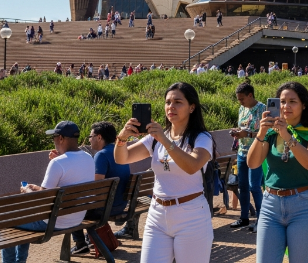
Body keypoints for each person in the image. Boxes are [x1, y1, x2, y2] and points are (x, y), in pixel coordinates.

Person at [114, 82, 215, 263]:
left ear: (192, 107)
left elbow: (192, 166)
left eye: (178, 102)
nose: (171, 107)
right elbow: (123, 158)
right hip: (157, 214)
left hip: (191, 215)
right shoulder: (155, 138)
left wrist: (165, 140)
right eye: (168, 102)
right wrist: (121, 139)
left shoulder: (201, 138)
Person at [245, 82, 308, 263]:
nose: (285, 106)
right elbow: (253, 163)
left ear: (303, 104)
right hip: (270, 206)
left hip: (303, 206)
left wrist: (287, 135)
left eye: (292, 101)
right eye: (282, 101)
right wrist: (261, 132)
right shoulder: (270, 133)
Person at [3, 121, 94, 263]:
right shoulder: (89, 158)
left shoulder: (57, 163)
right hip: (76, 218)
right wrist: (37, 189)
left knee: (6, 218)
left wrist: (27, 190)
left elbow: (43, 200)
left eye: (54, 137)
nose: (54, 141)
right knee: (21, 215)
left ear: (61, 138)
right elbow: (54, 190)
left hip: (53, 222)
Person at [71, 122, 133, 254]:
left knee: (71, 207)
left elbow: (96, 188)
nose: (89, 139)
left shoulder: (102, 155)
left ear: (99, 137)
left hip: (106, 209)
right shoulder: (121, 151)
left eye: (91, 136)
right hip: (121, 205)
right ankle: (90, 238)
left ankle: (80, 243)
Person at [228, 82, 266, 231]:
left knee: (254, 186)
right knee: (242, 186)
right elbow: (243, 127)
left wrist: (248, 134)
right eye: (238, 99)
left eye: (242, 99)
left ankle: (261, 220)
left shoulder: (263, 109)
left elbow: (267, 133)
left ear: (250, 95)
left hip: (256, 152)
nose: (240, 102)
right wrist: (237, 132)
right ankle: (244, 217)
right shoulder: (242, 109)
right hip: (242, 151)